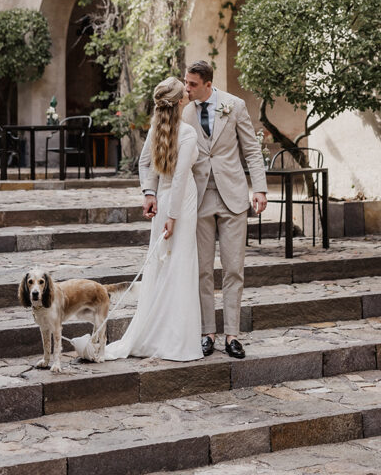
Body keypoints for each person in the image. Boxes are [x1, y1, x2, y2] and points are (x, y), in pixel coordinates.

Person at [105, 76, 202, 362]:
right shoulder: (187, 133)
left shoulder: (157, 127)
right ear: (180, 101)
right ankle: (175, 340)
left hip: (163, 202)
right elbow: (181, 178)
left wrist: (150, 193)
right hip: (178, 206)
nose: (188, 90)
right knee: (180, 264)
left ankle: (157, 332)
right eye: (184, 89)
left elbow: (144, 163)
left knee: (163, 266)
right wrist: (172, 216)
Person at [181, 60, 267, 359]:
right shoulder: (184, 110)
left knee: (233, 269)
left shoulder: (235, 105)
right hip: (199, 198)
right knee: (203, 270)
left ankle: (232, 335)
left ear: (208, 84)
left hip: (233, 197)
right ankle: (207, 333)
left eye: (192, 84)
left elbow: (251, 150)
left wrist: (259, 188)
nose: (187, 88)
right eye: (186, 82)